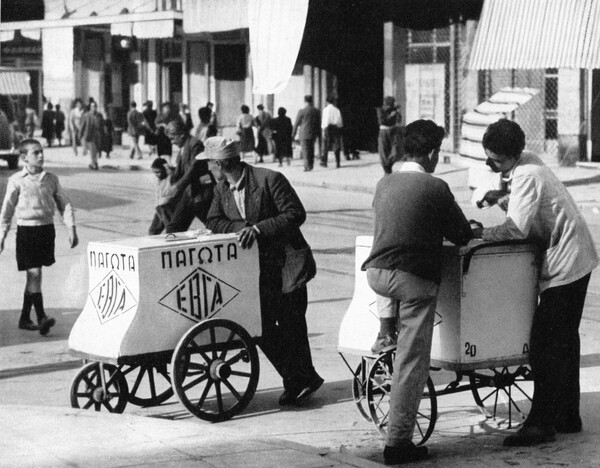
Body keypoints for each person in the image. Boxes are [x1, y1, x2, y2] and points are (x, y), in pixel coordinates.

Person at [471, 119, 598, 447]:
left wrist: (479, 233)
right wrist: (501, 194)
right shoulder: (528, 161)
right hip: (579, 256)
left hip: (566, 262)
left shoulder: (526, 174)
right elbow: (524, 201)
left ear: (511, 157)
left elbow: (516, 230)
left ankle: (541, 423)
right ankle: (568, 414)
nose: (491, 165)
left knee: (544, 345)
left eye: (496, 161)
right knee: (566, 340)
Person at [361, 120, 474, 465]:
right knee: (412, 362)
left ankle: (385, 335)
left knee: (399, 347)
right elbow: (462, 235)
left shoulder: (384, 182)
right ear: (431, 153)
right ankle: (398, 444)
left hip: (377, 274)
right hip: (413, 280)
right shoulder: (436, 187)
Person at [201, 136, 323, 406]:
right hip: (258, 270)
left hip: (288, 265)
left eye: (209, 163)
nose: (208, 168)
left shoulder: (270, 179)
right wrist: (240, 229)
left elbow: (295, 214)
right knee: (261, 327)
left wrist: (257, 229)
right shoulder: (222, 188)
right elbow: (212, 220)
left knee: (292, 326)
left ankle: (296, 381)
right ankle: (301, 377)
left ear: (220, 163)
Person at [0, 139, 78, 335]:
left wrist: (71, 228)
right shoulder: (17, 180)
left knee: (34, 276)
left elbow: (65, 204)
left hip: (46, 231)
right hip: (27, 232)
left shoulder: (51, 179)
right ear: (25, 158)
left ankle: (25, 318)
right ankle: (42, 316)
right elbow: (6, 211)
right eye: (36, 153)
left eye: (42, 152)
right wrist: (1, 235)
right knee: (35, 274)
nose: (41, 156)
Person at [164, 118, 215, 233]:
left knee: (215, 225)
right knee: (173, 229)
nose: (172, 142)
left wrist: (177, 186)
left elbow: (193, 169)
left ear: (181, 135)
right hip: (190, 193)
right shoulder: (184, 146)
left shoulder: (195, 144)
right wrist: (171, 172)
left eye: (173, 138)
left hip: (201, 193)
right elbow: (182, 170)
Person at [148, 157, 179, 235]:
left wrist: (169, 169)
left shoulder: (170, 178)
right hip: (159, 207)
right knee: (153, 231)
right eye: (154, 172)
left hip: (167, 207)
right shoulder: (158, 180)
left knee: (171, 230)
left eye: (158, 172)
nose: (157, 175)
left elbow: (175, 175)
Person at [292, 95, 321, 172]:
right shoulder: (316, 111)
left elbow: (296, 124)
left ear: (305, 101)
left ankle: (306, 166)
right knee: (311, 149)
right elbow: (318, 124)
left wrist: (293, 135)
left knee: (305, 150)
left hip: (304, 133)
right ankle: (311, 165)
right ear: (312, 101)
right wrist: (319, 134)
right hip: (313, 133)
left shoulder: (301, 111)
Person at [377, 96, 403, 174]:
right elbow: (381, 121)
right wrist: (390, 116)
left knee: (396, 151)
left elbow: (399, 121)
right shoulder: (380, 110)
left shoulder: (394, 110)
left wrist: (398, 112)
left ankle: (389, 165)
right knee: (384, 151)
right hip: (384, 131)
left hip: (393, 130)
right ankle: (387, 170)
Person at [79, 100, 104, 170]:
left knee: (96, 150)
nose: (95, 108)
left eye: (96, 106)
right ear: (90, 107)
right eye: (93, 106)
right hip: (90, 135)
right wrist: (80, 135)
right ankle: (95, 163)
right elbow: (82, 126)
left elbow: (102, 125)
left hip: (98, 135)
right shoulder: (86, 115)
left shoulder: (99, 115)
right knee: (93, 149)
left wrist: (104, 133)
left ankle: (92, 163)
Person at [320, 96, 343, 168]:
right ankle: (338, 162)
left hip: (328, 127)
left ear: (327, 102)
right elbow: (339, 121)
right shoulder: (337, 110)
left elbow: (325, 120)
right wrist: (339, 127)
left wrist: (323, 130)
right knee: (336, 144)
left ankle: (324, 161)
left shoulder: (326, 110)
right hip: (335, 128)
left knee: (326, 145)